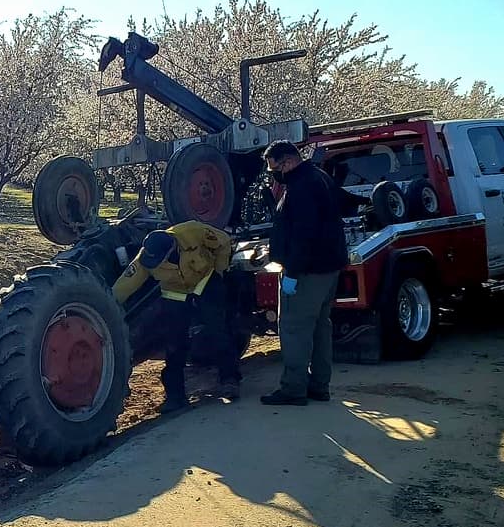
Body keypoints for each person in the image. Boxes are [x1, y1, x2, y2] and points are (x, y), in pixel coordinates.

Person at [112, 220, 241, 412]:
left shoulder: (192, 231)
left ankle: (229, 380)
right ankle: (175, 396)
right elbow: (125, 285)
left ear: (171, 250)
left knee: (218, 331)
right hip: (175, 294)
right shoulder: (146, 257)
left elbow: (222, 241)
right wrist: (109, 304)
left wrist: (220, 271)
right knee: (174, 345)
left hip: (205, 281)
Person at [261, 140, 348, 406]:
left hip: (307, 272)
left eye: (274, 168)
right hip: (328, 268)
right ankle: (320, 385)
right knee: (321, 327)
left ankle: (293, 388)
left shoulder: (301, 187)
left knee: (294, 329)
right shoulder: (318, 177)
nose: (274, 173)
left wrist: (292, 273)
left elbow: (303, 234)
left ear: (287, 161)